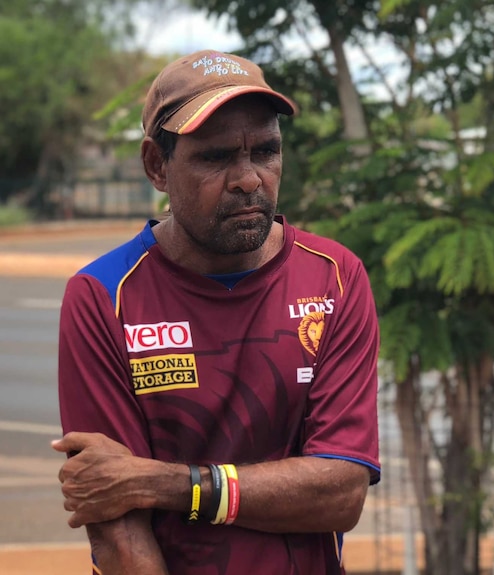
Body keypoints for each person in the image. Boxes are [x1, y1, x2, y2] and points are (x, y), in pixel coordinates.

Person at [52, 49, 381, 575]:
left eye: (266, 151)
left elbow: (340, 493)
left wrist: (165, 482)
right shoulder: (102, 295)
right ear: (156, 166)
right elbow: (117, 528)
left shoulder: (335, 277)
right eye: (216, 156)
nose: (249, 179)